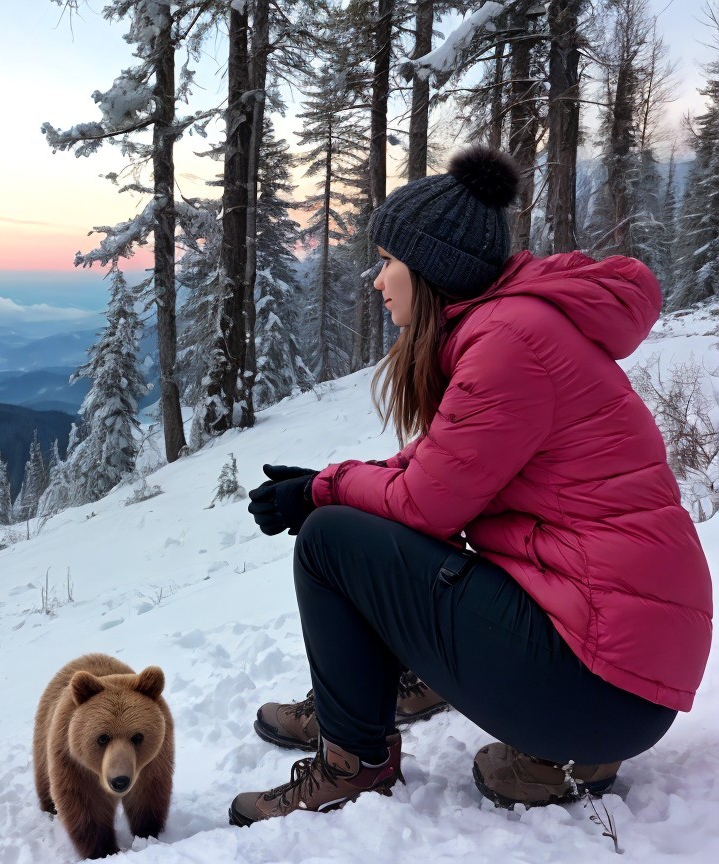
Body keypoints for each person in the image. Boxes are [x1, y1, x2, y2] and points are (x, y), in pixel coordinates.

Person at [228, 146, 713, 827]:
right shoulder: (517, 331)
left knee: (332, 538)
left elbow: (427, 503)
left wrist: (321, 496)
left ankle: (354, 760)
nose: (377, 281)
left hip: (600, 685)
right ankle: (387, 688)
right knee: (358, 517)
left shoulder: (509, 347)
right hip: (621, 671)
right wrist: (329, 481)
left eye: (388, 262)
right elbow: (438, 467)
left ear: (431, 271)